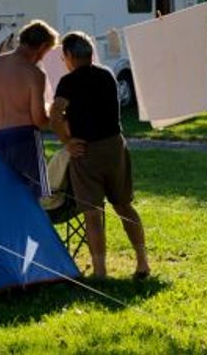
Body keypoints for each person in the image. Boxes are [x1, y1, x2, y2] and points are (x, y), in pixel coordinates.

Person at [49, 32, 150, 280]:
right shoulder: (107, 75)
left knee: (93, 213)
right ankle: (142, 262)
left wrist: (68, 142)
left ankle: (100, 271)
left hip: (87, 151)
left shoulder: (68, 83)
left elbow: (55, 115)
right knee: (124, 206)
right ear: (91, 54)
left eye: (64, 57)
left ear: (71, 56)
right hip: (115, 146)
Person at [0, 19, 57, 197]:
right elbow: (38, 119)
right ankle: (34, 226)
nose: (44, 57)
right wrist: (54, 117)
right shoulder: (34, 73)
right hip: (25, 139)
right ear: (42, 46)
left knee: (5, 195)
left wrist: (5, 106)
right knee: (32, 196)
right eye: (47, 51)